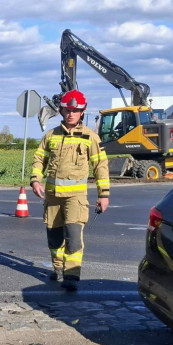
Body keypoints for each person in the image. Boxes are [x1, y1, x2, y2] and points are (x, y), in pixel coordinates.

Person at [30, 89, 110, 292]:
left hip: (76, 198)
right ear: (62, 110)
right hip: (52, 197)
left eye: (75, 110)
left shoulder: (90, 137)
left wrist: (104, 195)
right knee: (54, 237)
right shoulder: (51, 136)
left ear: (82, 112)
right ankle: (58, 268)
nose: (71, 114)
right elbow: (39, 159)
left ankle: (72, 275)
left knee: (73, 237)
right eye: (68, 110)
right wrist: (35, 181)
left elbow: (100, 166)